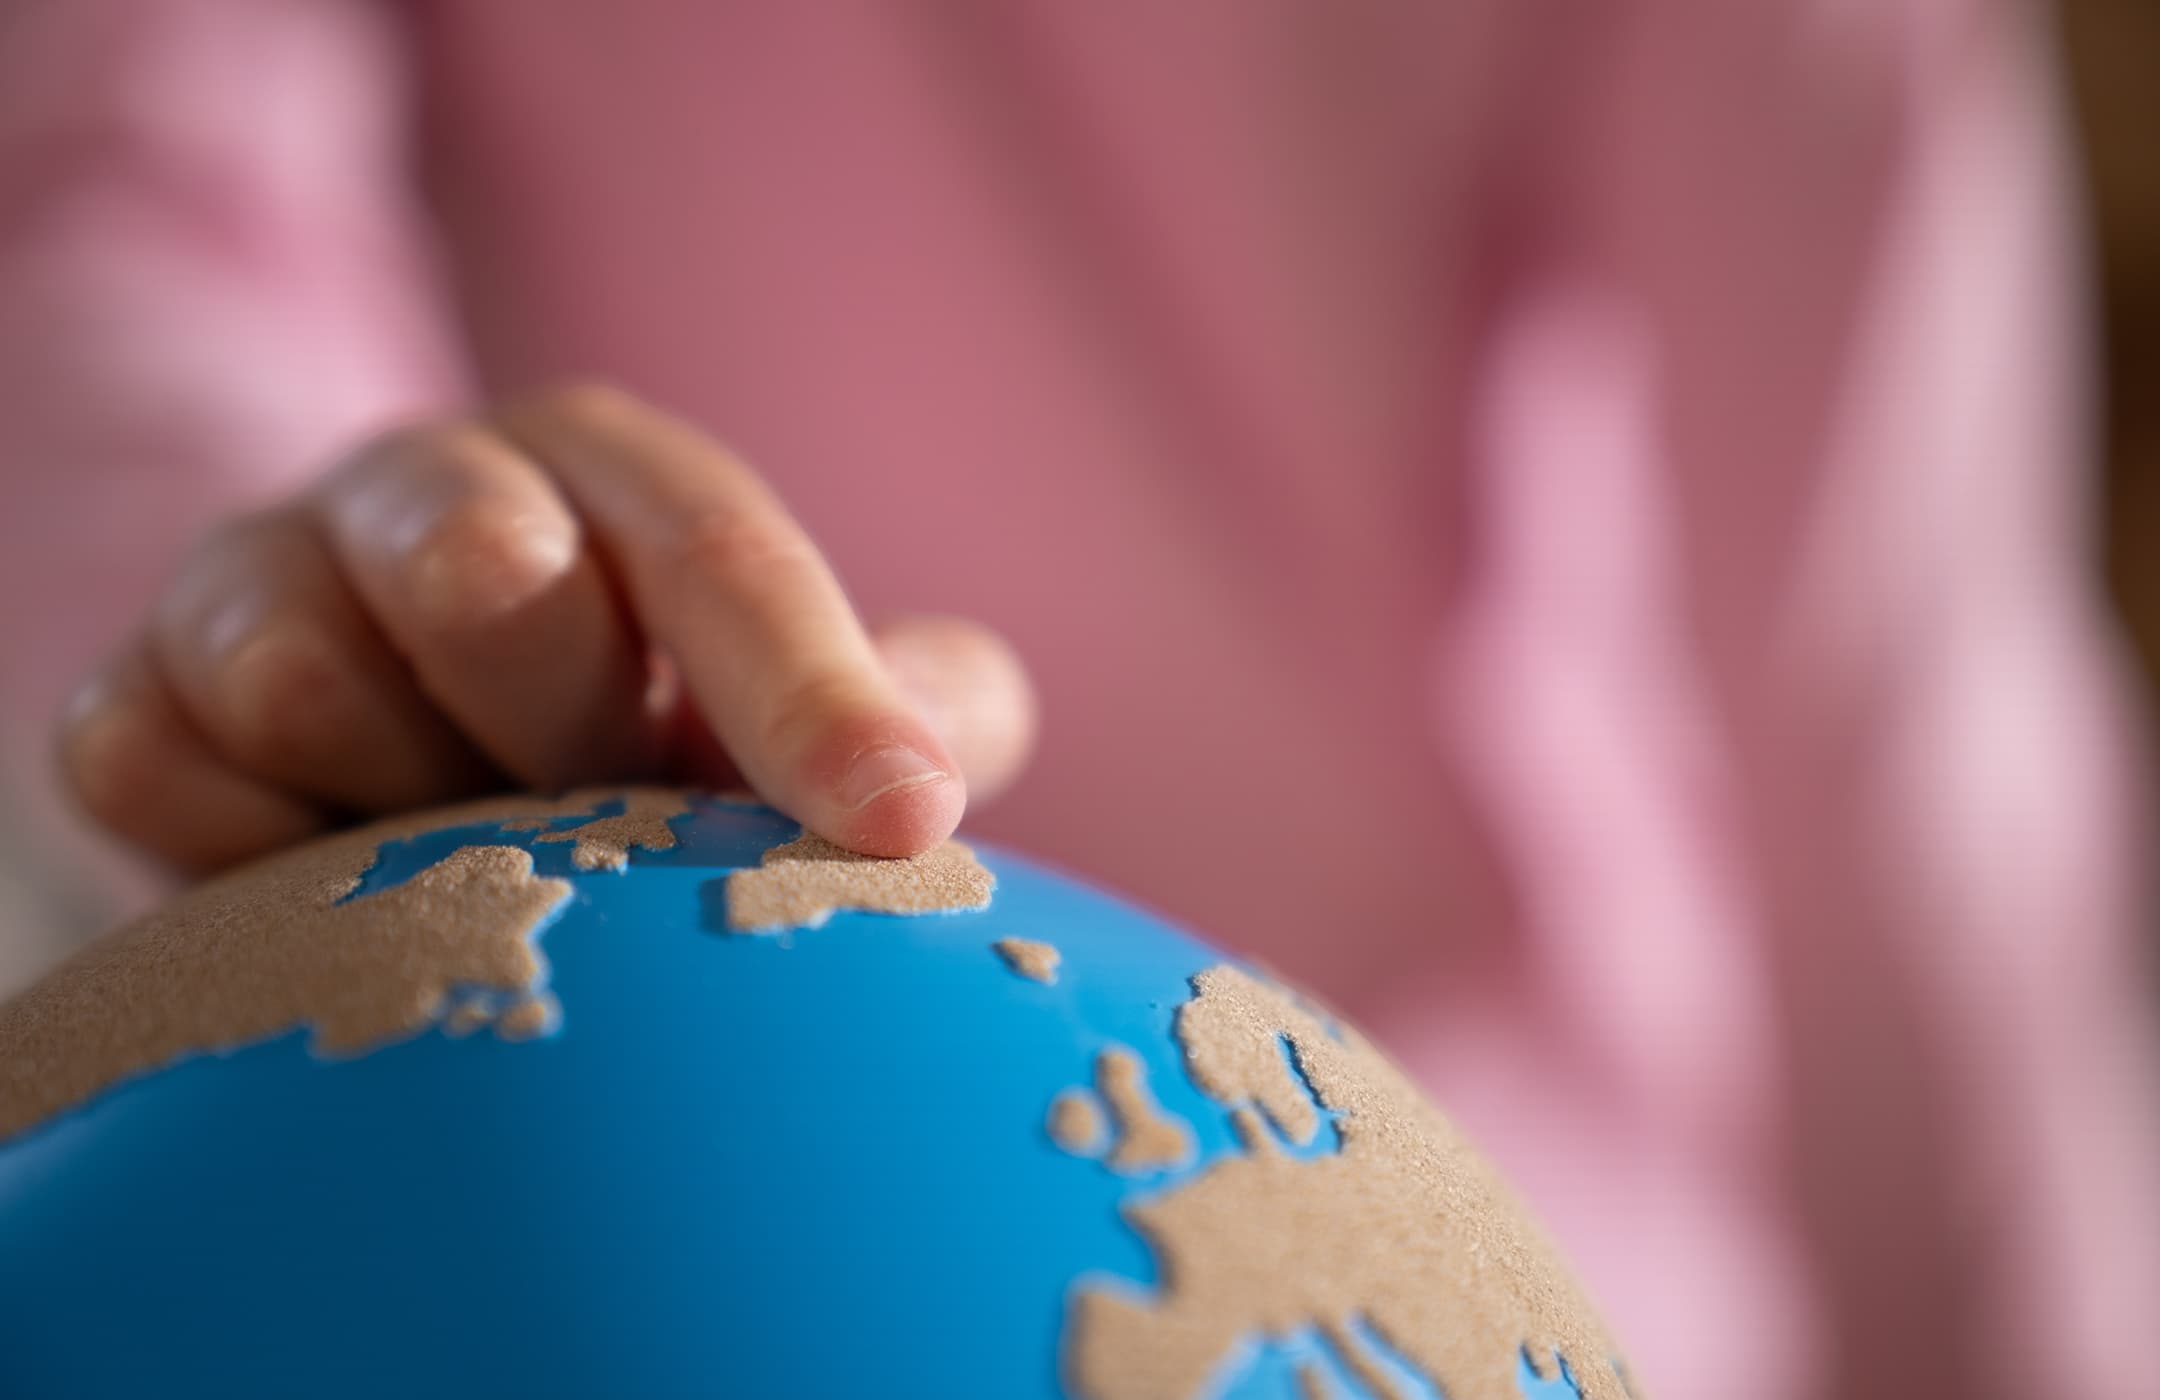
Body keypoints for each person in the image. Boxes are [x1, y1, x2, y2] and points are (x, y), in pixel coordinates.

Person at [1, 4, 2154, 1397]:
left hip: (1431, 1251)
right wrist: (342, 633)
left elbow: (1894, 756)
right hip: (535, 1121)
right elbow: (130, 198)